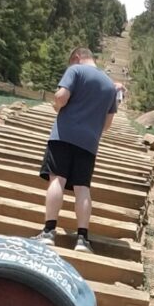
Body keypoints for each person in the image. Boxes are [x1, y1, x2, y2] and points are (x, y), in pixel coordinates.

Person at [35, 47, 119, 254]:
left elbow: (61, 96)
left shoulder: (76, 71)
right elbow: (107, 124)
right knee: (83, 188)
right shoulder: (110, 86)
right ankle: (82, 239)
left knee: (58, 180)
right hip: (89, 143)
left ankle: (48, 233)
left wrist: (57, 106)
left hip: (63, 135)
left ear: (76, 57)